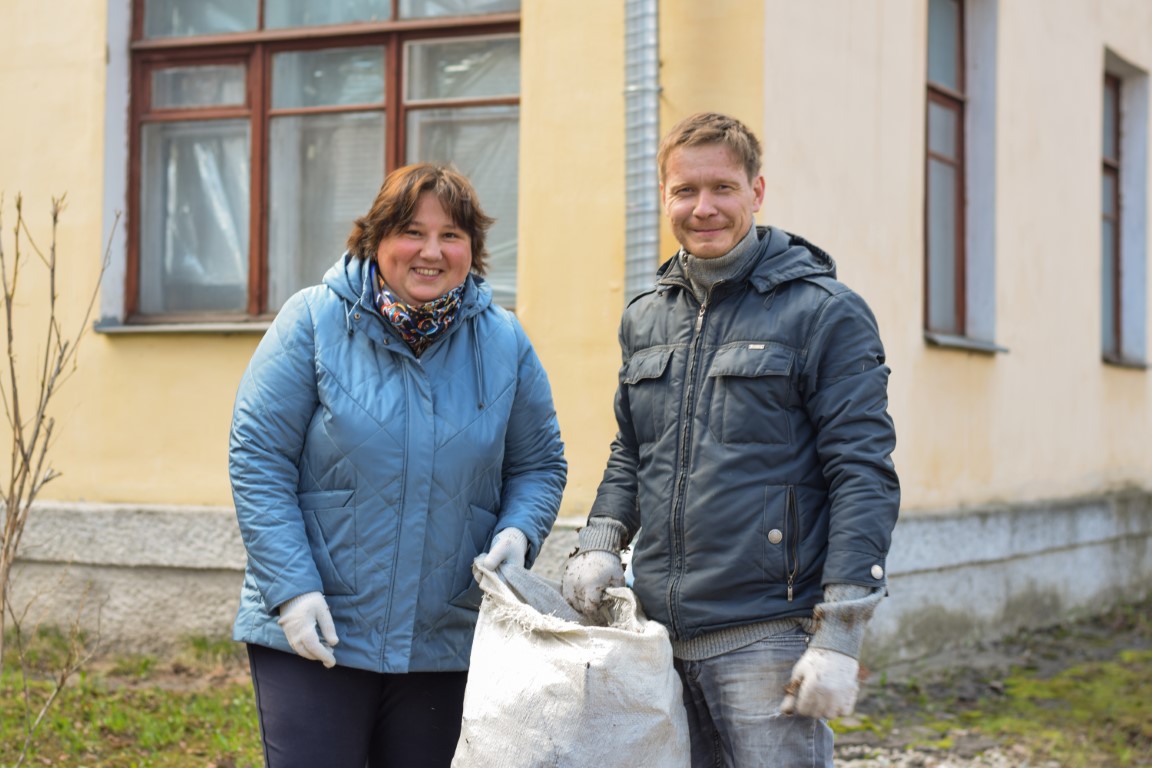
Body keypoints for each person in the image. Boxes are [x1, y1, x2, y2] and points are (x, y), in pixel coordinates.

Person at [561, 112, 899, 767]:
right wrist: (601, 541)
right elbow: (633, 450)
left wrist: (841, 630)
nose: (704, 208)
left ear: (757, 191)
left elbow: (862, 472)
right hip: (657, 638)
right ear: (664, 196)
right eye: (685, 191)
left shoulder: (824, 312)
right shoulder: (646, 317)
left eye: (722, 187)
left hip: (767, 635)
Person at [229, 163, 567, 768]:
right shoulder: (313, 321)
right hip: (318, 629)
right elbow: (259, 458)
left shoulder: (504, 342)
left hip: (445, 637)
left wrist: (520, 531)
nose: (431, 252)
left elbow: (538, 464)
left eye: (451, 235)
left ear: (472, 249)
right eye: (413, 232)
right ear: (376, 238)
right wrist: (292, 590)